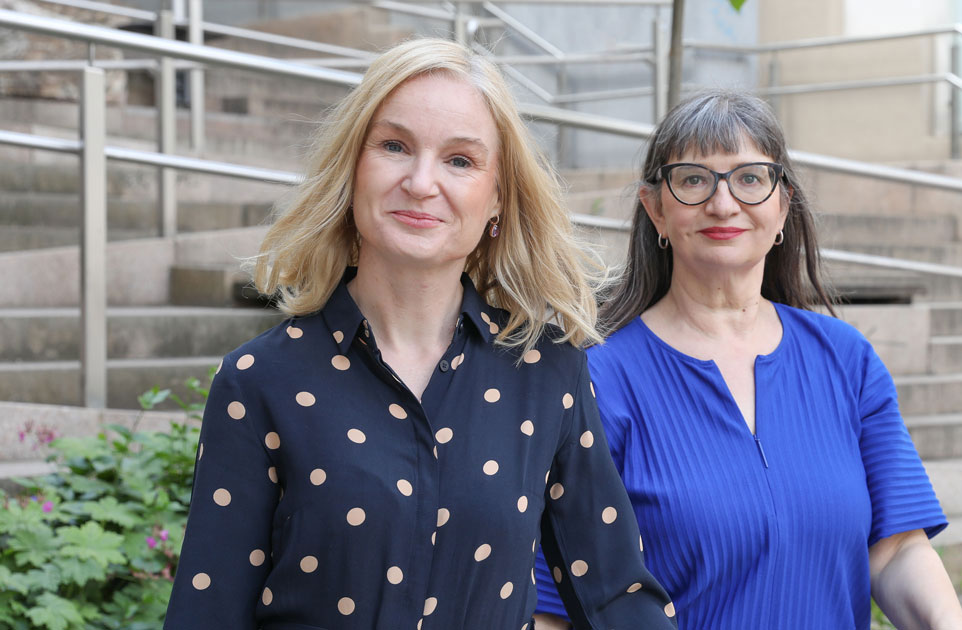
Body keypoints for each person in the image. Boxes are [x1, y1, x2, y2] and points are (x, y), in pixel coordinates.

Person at [163, 38, 676, 629]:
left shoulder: (546, 371)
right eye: (394, 146)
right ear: (352, 169)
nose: (421, 181)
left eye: (460, 160)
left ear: (497, 200)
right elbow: (209, 611)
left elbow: (615, 595)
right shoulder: (260, 382)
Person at [533, 89, 962, 629]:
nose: (723, 204)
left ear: (783, 204)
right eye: (694, 179)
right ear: (656, 210)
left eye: (749, 178)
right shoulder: (599, 380)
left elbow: (897, 548)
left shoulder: (846, 360)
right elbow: (557, 605)